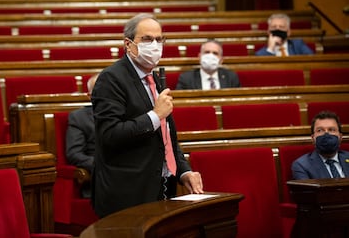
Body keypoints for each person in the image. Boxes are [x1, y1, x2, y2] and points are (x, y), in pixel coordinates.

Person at [91, 13, 204, 218]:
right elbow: (109, 134)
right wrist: (154, 115)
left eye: (159, 39)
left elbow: (166, 136)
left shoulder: (154, 77)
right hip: (127, 193)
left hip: (161, 187)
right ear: (128, 44)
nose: (155, 45)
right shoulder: (111, 79)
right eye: (147, 39)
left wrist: (183, 170)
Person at [65, 74, 99, 197]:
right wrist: (102, 164)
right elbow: (74, 154)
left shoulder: (125, 114)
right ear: (90, 96)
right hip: (99, 177)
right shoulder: (79, 118)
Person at [292, 110, 349, 180]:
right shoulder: (302, 165)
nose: (326, 134)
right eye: (320, 130)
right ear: (313, 138)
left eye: (332, 130)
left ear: (340, 137)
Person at [175, 39, 241, 90]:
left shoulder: (231, 77)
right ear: (199, 57)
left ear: (221, 60)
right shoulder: (186, 78)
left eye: (215, 53)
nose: (210, 56)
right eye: (207, 52)